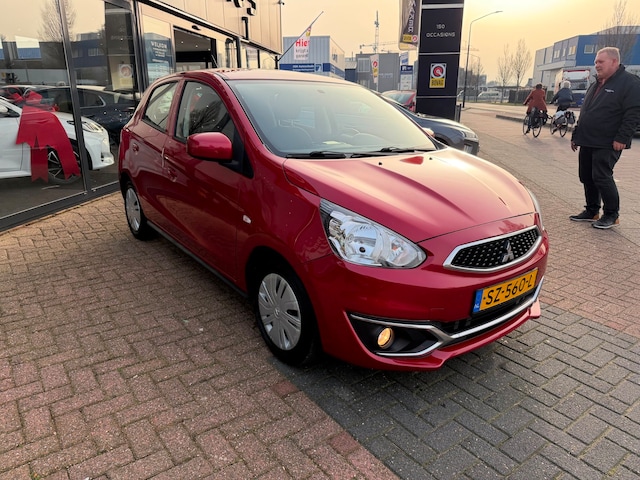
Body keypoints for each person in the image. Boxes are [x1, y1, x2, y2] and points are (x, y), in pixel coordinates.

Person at [570, 46, 640, 229]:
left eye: (600, 61)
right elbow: (586, 112)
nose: (597, 65)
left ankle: (611, 214)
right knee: (586, 176)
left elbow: (633, 113)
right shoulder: (597, 83)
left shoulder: (629, 83)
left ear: (614, 62)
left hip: (608, 142)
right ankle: (592, 210)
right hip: (587, 139)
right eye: (596, 62)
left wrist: (622, 137)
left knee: (601, 177)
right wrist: (576, 135)